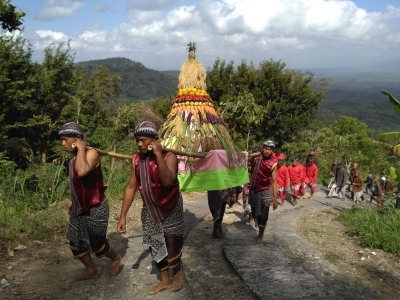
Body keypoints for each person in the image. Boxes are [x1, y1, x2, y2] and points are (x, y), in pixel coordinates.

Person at [117, 121, 184, 294]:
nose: (139, 144)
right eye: (137, 140)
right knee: (155, 243)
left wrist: (158, 154)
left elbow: (168, 182)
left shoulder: (170, 156)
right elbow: (131, 187)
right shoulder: (136, 159)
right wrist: (123, 215)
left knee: (172, 242)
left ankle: (177, 272)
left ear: (155, 140)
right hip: (150, 209)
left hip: (171, 205)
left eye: (143, 140)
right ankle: (164, 280)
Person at [59, 122, 121, 281]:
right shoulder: (74, 159)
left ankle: (115, 258)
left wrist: (81, 148)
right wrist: (71, 199)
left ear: (78, 138)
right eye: (62, 140)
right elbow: (74, 180)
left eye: (66, 139)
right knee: (75, 242)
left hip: (96, 207)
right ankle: (92, 270)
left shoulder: (91, 153)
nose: (63, 143)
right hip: (79, 207)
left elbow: (82, 171)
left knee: (97, 244)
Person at [249, 140, 278, 244]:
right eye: (265, 148)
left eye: (269, 149)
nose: (266, 151)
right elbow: (247, 158)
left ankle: (260, 234)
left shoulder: (273, 163)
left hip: (266, 190)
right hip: (254, 189)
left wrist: (275, 198)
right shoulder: (257, 159)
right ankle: (259, 228)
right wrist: (257, 153)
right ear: (262, 148)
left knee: (264, 215)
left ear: (272, 151)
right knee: (255, 212)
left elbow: (274, 181)